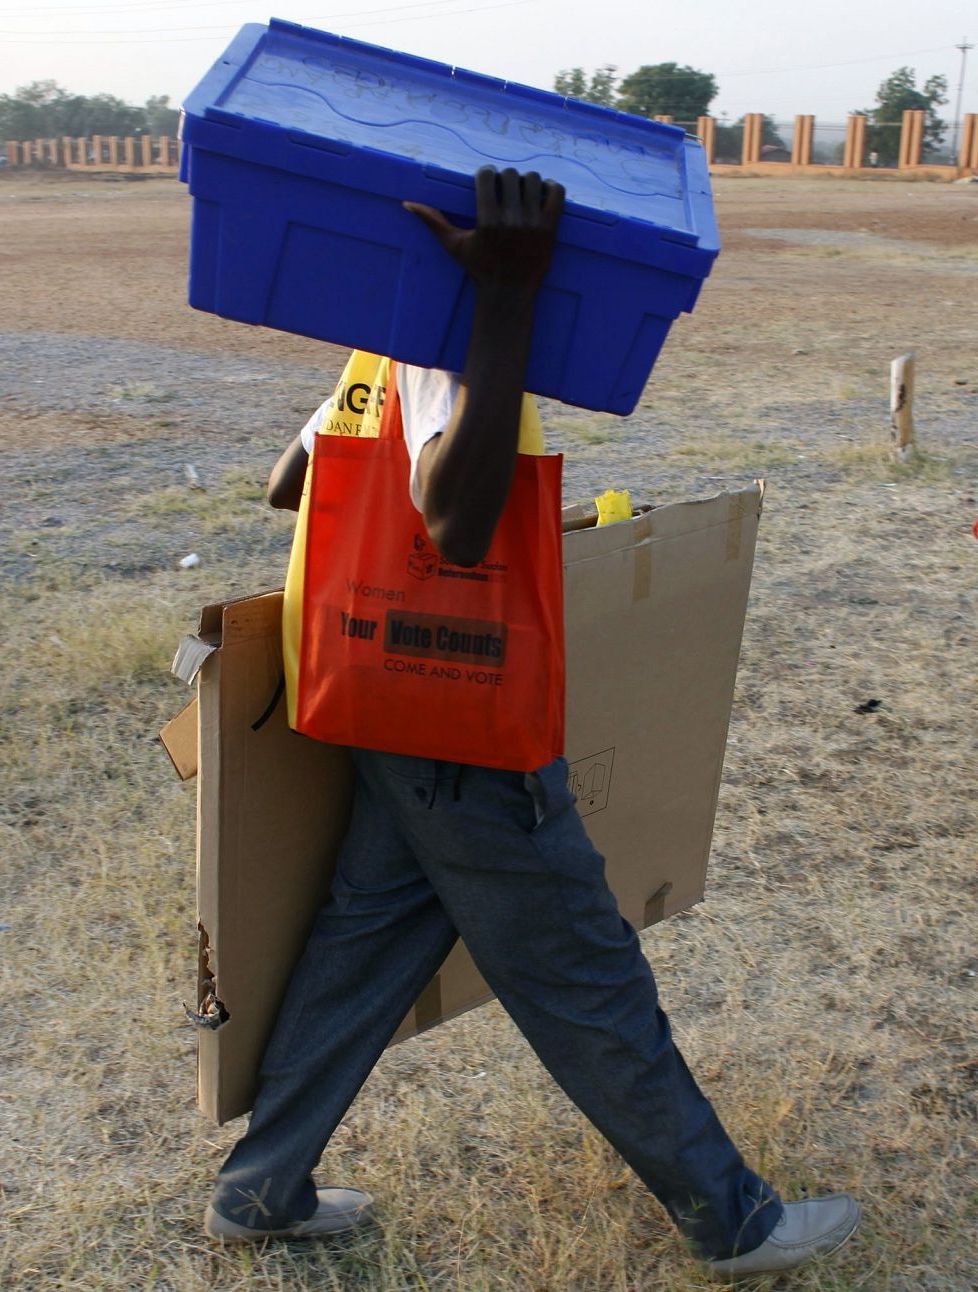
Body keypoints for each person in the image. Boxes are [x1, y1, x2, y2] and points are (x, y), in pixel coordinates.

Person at [201, 165, 859, 1281]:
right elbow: (457, 526)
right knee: (580, 967)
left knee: (366, 942)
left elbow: (287, 484)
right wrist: (501, 302)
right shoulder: (449, 342)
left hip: (370, 696)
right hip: (453, 712)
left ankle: (260, 1187)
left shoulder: (375, 349)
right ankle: (729, 1216)